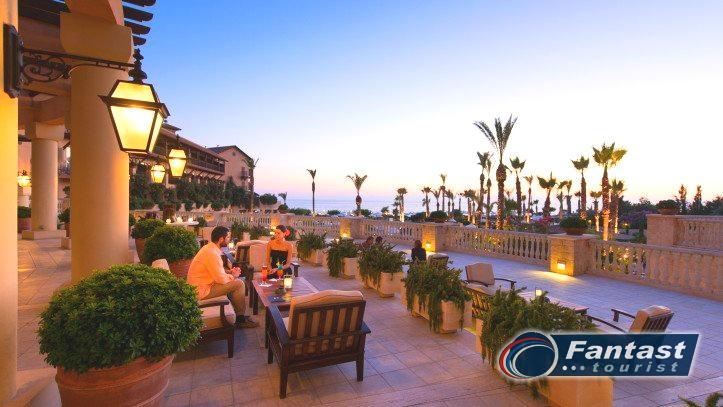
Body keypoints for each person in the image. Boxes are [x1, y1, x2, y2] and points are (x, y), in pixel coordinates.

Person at [187, 226, 258, 328]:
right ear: (221, 239)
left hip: (202, 286)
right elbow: (221, 279)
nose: (229, 240)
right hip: (201, 291)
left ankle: (239, 315)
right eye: (228, 237)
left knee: (234, 281)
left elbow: (215, 270)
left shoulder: (209, 248)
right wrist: (233, 275)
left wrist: (229, 272)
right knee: (238, 284)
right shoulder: (212, 253)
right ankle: (240, 320)